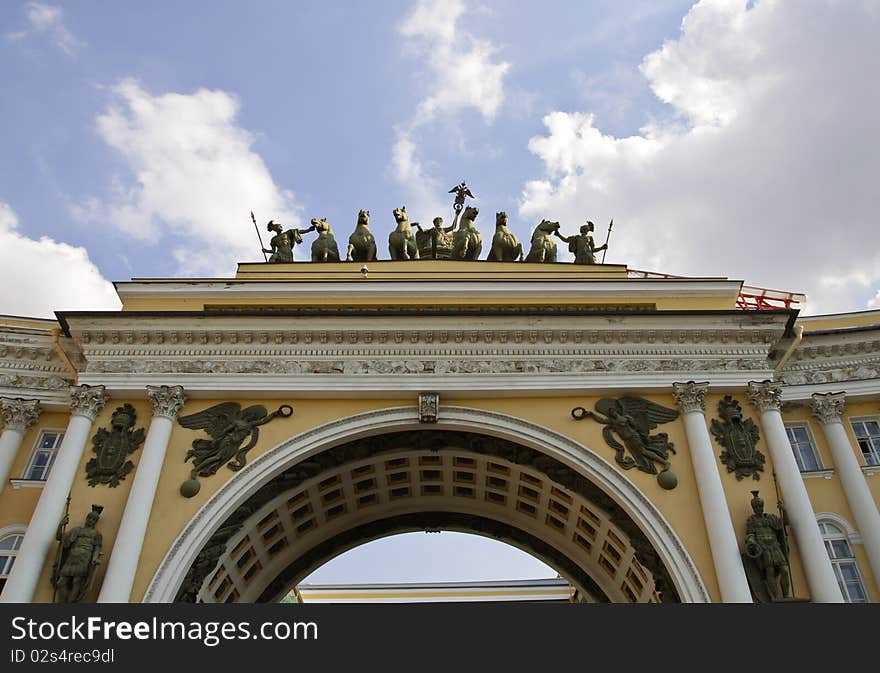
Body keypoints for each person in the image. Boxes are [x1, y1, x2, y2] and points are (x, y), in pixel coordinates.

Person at [744, 491, 791, 600]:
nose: (758, 508)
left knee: (784, 570)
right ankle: (776, 597)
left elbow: (784, 523)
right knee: (769, 571)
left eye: (760, 506)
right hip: (763, 548)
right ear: (753, 508)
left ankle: (786, 596)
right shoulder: (752, 520)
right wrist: (751, 542)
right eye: (756, 507)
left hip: (774, 546)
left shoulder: (771, 518)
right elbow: (750, 534)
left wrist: (784, 510)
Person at [51, 506, 103, 603]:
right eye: (89, 518)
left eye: (93, 520)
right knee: (61, 581)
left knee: (77, 582)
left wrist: (95, 559)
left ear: (95, 522)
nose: (90, 521)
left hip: (84, 559)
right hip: (71, 558)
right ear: (86, 519)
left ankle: (71, 604)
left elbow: (97, 548)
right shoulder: (77, 530)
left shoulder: (96, 534)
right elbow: (60, 538)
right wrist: (61, 525)